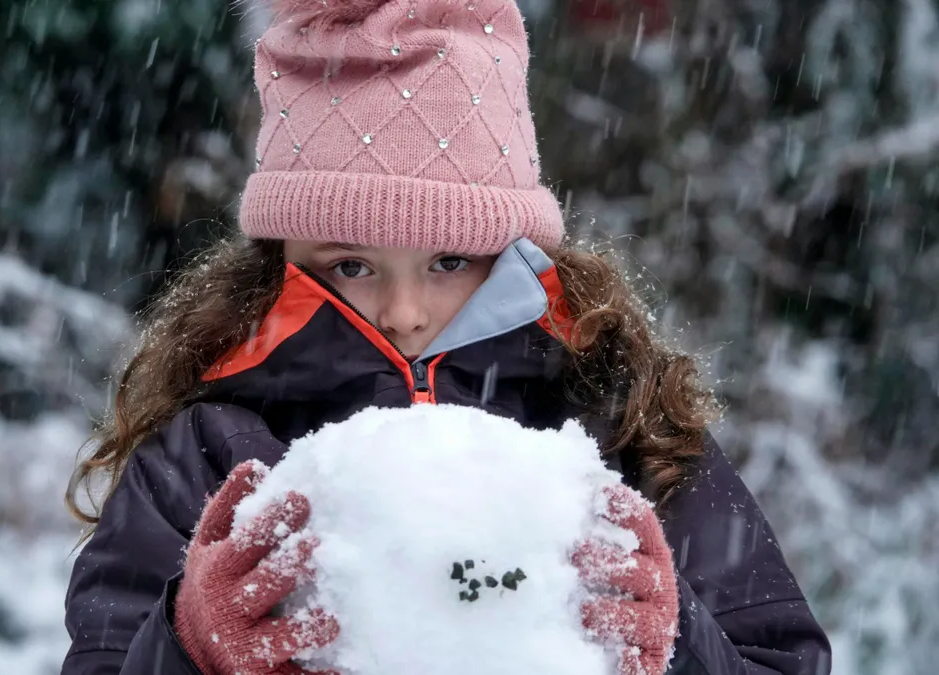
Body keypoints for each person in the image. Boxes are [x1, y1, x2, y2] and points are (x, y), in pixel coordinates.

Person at [61, 1, 832, 674]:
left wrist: (678, 643)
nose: (404, 310)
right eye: (353, 264)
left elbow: (781, 658)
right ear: (283, 255)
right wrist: (191, 645)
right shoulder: (209, 452)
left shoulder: (623, 424)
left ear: (517, 249)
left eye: (450, 260)